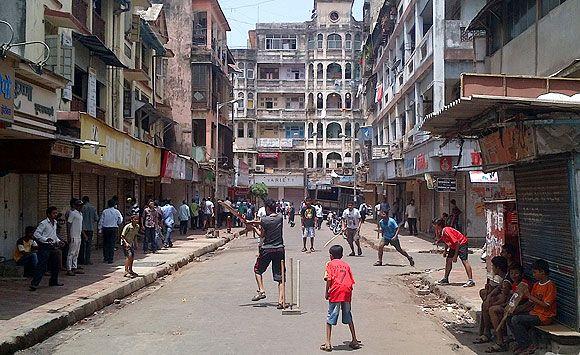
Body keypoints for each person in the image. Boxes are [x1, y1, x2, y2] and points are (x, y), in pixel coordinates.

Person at [509, 260, 557, 354]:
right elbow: (530, 303)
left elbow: (546, 305)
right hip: (534, 313)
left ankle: (527, 345)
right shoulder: (536, 285)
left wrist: (529, 296)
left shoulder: (550, 286)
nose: (533, 275)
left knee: (516, 320)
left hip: (544, 316)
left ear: (542, 272)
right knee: (510, 317)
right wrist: (517, 309)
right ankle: (521, 342)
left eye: (535, 272)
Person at [320, 245, 360, 352]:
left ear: (331, 256)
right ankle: (354, 340)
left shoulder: (330, 264)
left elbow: (328, 279)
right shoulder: (346, 265)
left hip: (336, 291)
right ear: (342, 255)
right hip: (347, 290)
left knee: (331, 315)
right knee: (348, 314)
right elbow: (350, 279)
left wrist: (326, 292)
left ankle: (328, 343)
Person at [486, 264, 531, 352]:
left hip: (521, 309)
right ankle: (501, 339)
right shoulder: (515, 284)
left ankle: (501, 341)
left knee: (494, 311)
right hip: (513, 308)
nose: (514, 275)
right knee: (493, 309)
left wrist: (515, 308)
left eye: (516, 273)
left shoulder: (524, 285)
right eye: (512, 273)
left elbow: (526, 302)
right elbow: (513, 299)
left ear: (521, 274)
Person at [250, 198, 286, 309]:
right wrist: (254, 223)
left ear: (267, 208)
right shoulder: (280, 217)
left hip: (267, 249)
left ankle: (261, 290)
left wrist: (253, 227)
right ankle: (280, 301)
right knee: (281, 277)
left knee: (257, 270)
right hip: (279, 249)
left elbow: (261, 235)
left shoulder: (264, 220)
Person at [473, 256, 509, 345]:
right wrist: (489, 297)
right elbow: (497, 289)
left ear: (498, 268)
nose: (492, 268)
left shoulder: (506, 281)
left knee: (489, 308)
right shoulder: (502, 278)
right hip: (502, 300)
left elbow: (504, 298)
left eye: (493, 266)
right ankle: (485, 332)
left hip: (507, 304)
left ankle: (495, 337)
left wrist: (492, 302)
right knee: (485, 302)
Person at [30, 207, 65, 291]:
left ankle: (53, 281)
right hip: (44, 246)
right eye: (54, 213)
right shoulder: (43, 223)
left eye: (56, 213)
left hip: (53, 246)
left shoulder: (55, 223)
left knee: (55, 265)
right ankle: (34, 283)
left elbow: (53, 235)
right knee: (42, 265)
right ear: (49, 214)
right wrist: (45, 239)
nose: (55, 215)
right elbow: (36, 234)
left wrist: (59, 241)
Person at [434, 219, 474, 287]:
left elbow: (457, 242)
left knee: (464, 261)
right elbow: (446, 241)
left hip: (461, 243)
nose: (434, 227)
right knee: (448, 260)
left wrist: (455, 256)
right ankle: (445, 279)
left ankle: (470, 280)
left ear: (439, 225)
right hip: (454, 246)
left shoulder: (446, 230)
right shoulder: (443, 232)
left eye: (435, 225)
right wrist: (445, 251)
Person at [99, 199, 123, 264]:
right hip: (113, 228)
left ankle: (105, 258)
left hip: (106, 229)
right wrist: (117, 223)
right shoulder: (117, 211)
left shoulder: (105, 211)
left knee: (105, 243)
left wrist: (100, 229)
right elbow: (120, 220)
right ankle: (110, 259)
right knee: (112, 244)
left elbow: (101, 220)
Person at [66, 199, 85, 276]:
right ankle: (69, 269)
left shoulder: (80, 214)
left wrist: (83, 234)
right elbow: (68, 224)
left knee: (76, 253)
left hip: (78, 235)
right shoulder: (73, 213)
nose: (81, 207)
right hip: (73, 235)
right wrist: (68, 235)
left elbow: (80, 226)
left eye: (81, 205)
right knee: (71, 253)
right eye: (79, 205)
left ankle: (74, 267)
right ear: (76, 206)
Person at [80, 196, 98, 265]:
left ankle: (81, 260)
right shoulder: (93, 208)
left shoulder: (82, 208)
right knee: (88, 245)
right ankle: (87, 260)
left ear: (84, 200)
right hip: (90, 228)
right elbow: (96, 218)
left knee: (82, 245)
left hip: (82, 229)